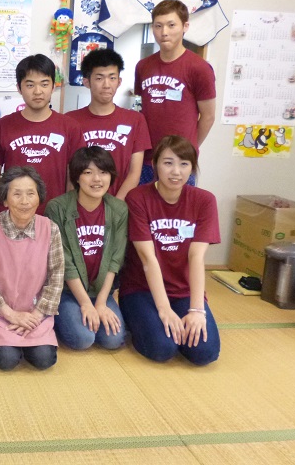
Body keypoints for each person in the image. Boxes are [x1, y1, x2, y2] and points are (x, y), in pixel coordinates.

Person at [118, 135, 221, 365]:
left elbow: (196, 257)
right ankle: (138, 321)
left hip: (183, 291)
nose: (176, 171)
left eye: (184, 164)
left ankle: (176, 325)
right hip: (141, 289)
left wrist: (197, 310)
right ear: (155, 165)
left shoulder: (205, 201)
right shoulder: (138, 198)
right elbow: (148, 259)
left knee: (204, 353)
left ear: (192, 168)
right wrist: (163, 309)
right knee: (162, 348)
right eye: (168, 163)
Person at [0, 167, 64, 371]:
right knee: (6, 360)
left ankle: (28, 336)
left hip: (34, 312)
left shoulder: (51, 228)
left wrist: (36, 316)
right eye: (17, 194)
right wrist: (11, 315)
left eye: (31, 193)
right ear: (5, 200)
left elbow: (56, 278)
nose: (24, 201)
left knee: (44, 360)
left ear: (39, 198)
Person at [44, 147, 127, 351]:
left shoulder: (118, 209)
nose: (97, 179)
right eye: (88, 172)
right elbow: (64, 262)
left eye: (103, 172)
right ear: (77, 177)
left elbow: (115, 260)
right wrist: (85, 304)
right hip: (66, 291)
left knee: (113, 340)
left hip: (100, 291)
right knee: (83, 339)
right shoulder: (57, 208)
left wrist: (101, 303)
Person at [135, 0, 216, 185]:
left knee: (180, 205)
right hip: (147, 159)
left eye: (171, 25)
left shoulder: (199, 68)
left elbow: (208, 116)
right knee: (142, 203)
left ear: (185, 26)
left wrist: (188, 148)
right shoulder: (143, 66)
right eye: (158, 26)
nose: (164, 32)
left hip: (179, 162)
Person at [0, 54, 82, 215]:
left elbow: (73, 178)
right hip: (12, 215)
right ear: (19, 88)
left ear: (53, 86)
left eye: (44, 84)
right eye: (30, 85)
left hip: (55, 216)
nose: (38, 91)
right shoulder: (2, 127)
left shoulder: (70, 127)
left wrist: (67, 217)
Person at [65, 49, 150, 200]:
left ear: (119, 81)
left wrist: (116, 206)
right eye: (99, 78)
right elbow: (70, 172)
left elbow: (134, 173)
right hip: (82, 206)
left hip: (120, 205)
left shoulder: (135, 120)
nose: (106, 85)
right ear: (86, 82)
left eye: (112, 78)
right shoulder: (70, 120)